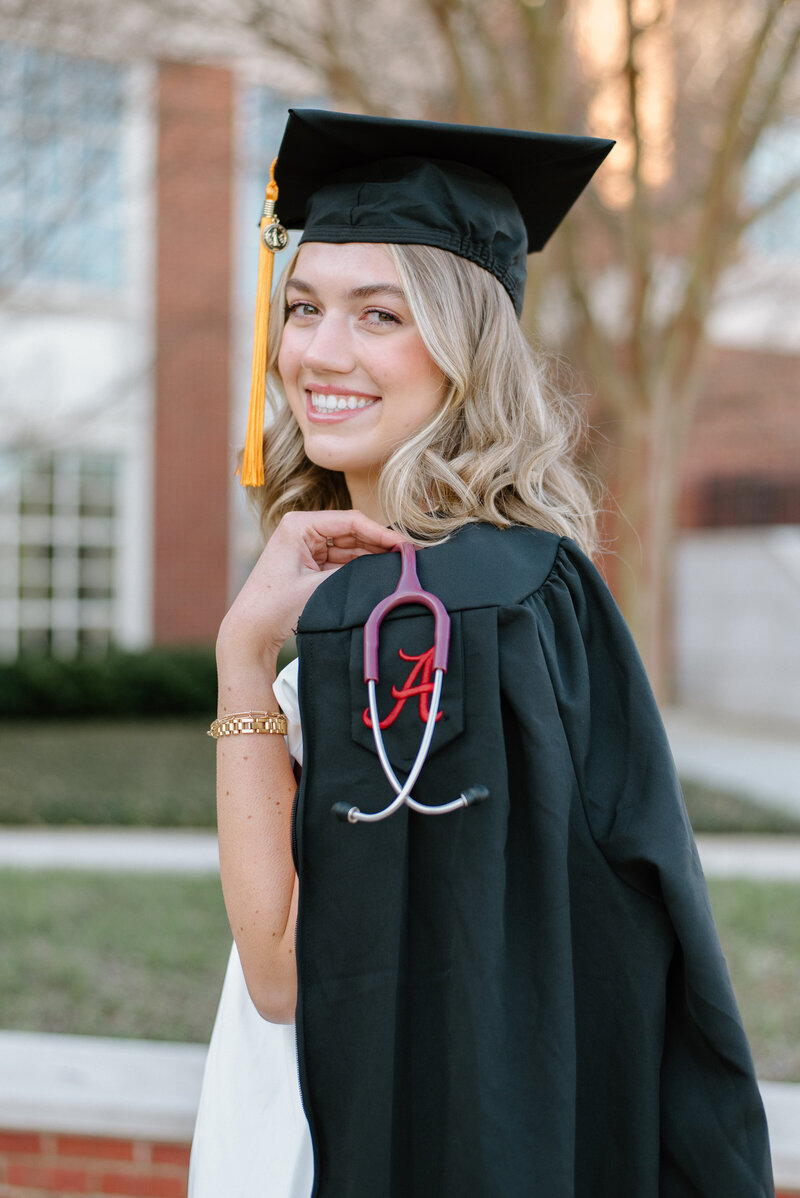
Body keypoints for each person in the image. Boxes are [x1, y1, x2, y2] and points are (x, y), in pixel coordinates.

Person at [189, 110, 773, 1197]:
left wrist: (239, 659)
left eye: (380, 315)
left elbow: (289, 971)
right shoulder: (511, 584)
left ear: (462, 352)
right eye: (305, 306)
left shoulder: (433, 614)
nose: (319, 350)